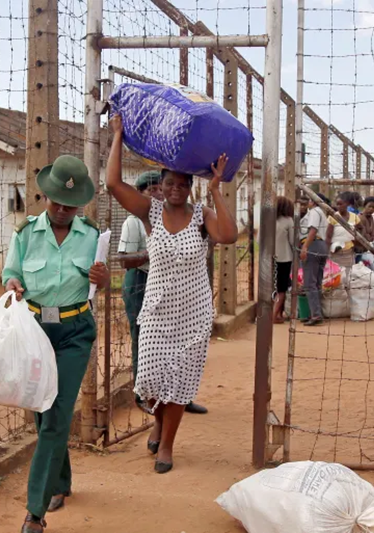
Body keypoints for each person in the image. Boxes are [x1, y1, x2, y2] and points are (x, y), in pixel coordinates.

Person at [106, 114, 237, 474]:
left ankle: (166, 444)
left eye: (183, 183)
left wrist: (215, 190)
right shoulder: (150, 212)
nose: (176, 188)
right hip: (157, 311)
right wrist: (118, 134)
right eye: (170, 183)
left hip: (192, 314)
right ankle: (158, 420)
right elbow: (113, 183)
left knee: (178, 381)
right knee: (148, 377)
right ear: (161, 188)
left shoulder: (202, 216)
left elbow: (229, 236)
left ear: (190, 187)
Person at [1, 155, 110, 532]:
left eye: (70, 204)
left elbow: (100, 284)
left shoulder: (94, 236)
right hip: (34, 328)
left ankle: (35, 513)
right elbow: (11, 273)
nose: (63, 210)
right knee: (42, 411)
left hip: (74, 331)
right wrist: (12, 284)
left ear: (80, 204)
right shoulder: (25, 233)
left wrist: (103, 277)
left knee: (58, 412)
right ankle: (60, 483)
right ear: (44, 196)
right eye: (56, 202)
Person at [118, 172, 208, 415]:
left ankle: (179, 399)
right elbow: (124, 260)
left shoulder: (188, 216)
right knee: (144, 340)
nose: (156, 193)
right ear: (140, 193)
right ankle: (144, 394)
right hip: (141, 281)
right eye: (151, 189)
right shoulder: (136, 220)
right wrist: (160, 252)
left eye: (158, 188)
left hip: (176, 290)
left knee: (179, 351)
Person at [300, 194, 330, 327]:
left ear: (313, 201)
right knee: (317, 283)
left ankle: (316, 314)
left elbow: (313, 230)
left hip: (313, 245)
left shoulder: (314, 212)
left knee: (309, 283)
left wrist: (305, 247)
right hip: (321, 246)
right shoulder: (322, 213)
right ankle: (317, 312)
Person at [274, 196, 295, 324]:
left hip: (268, 258)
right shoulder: (288, 221)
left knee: (271, 287)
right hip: (284, 258)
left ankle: (275, 314)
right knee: (282, 288)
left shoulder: (267, 220)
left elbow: (259, 239)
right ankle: (273, 315)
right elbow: (293, 241)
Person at [326, 191, 361, 268]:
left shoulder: (354, 217)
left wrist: (357, 240)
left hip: (349, 251)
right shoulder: (333, 217)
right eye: (337, 204)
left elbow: (361, 228)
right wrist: (327, 252)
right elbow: (328, 236)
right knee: (336, 275)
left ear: (347, 204)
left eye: (341, 204)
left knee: (348, 274)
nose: (338, 206)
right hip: (335, 251)